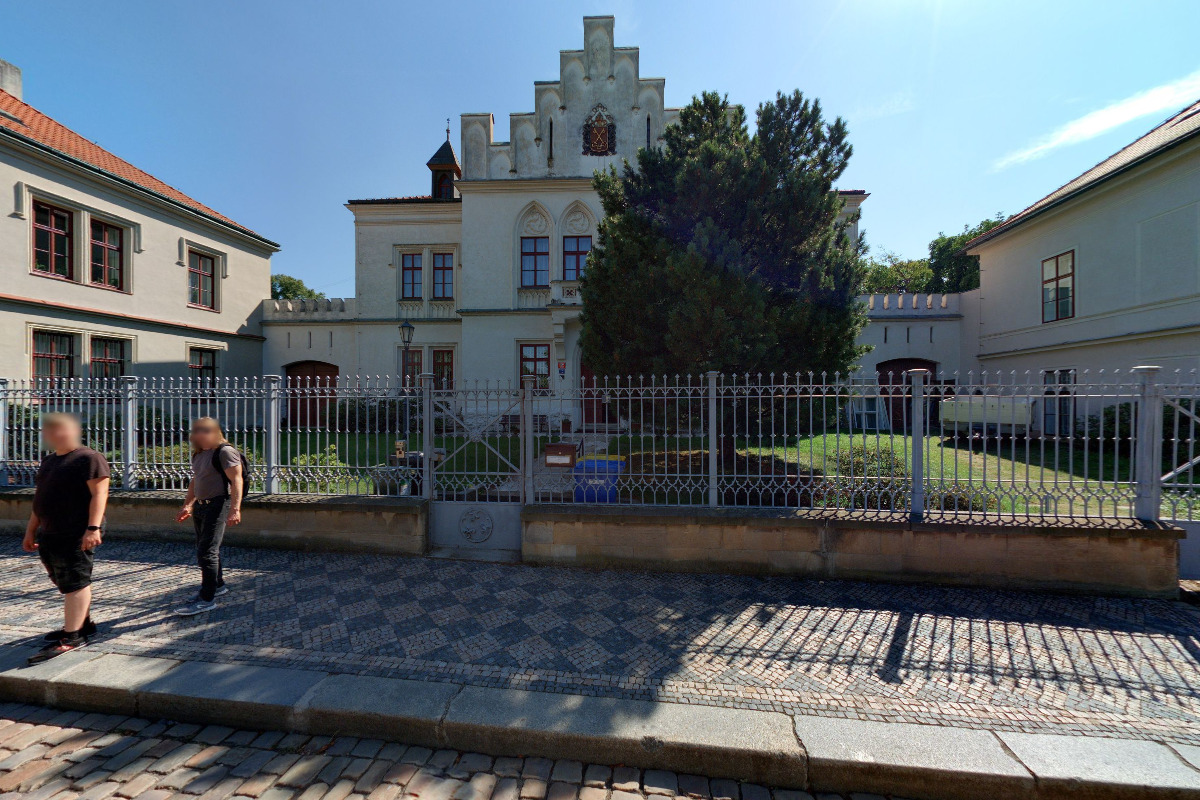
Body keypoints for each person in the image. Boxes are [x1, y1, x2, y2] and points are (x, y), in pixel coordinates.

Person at [23, 413, 110, 665]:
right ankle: (84, 625)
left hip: (77, 530)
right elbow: (40, 499)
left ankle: (73, 636)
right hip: (50, 531)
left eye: (58, 429)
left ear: (73, 431)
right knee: (62, 577)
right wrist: (30, 530)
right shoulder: (49, 461)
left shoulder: (89, 458)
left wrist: (93, 528)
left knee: (76, 580)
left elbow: (99, 495)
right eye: (49, 430)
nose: (51, 434)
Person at [174, 417, 243, 616]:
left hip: (219, 504)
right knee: (205, 547)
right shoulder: (199, 454)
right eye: (197, 431)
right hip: (202, 506)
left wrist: (235, 509)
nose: (199, 435)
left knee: (207, 551)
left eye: (205, 431)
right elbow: (197, 480)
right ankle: (218, 585)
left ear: (215, 432)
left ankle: (207, 599)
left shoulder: (225, 452)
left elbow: (236, 480)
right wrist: (188, 505)